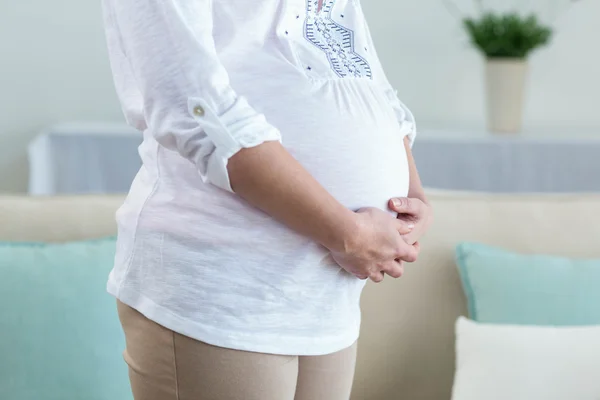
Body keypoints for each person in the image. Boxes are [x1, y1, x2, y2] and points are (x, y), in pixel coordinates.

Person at [101, 0, 433, 399]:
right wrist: (348, 234)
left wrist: (411, 195)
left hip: (327, 293)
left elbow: (357, 68)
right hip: (223, 283)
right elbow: (195, 108)